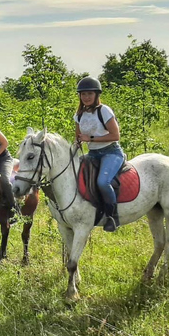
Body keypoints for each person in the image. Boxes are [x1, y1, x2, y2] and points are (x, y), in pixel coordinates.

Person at [73, 77, 123, 232]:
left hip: (111, 152)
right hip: (93, 153)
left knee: (102, 182)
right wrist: (76, 146)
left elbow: (116, 135)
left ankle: (112, 217)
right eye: (83, 94)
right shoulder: (79, 114)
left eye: (90, 94)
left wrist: (91, 138)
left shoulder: (104, 111)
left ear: (96, 95)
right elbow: (78, 137)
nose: (86, 97)